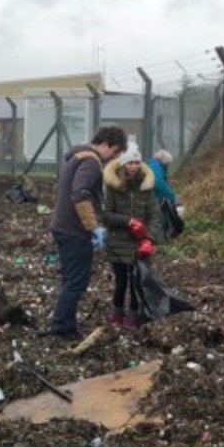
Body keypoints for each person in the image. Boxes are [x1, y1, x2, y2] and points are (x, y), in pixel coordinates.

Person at [46, 125, 128, 339]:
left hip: (63, 225)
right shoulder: (91, 162)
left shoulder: (76, 156)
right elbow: (80, 193)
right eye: (115, 152)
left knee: (70, 279)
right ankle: (62, 327)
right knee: (77, 282)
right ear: (106, 145)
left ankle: (66, 323)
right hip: (74, 230)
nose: (114, 158)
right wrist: (93, 227)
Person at [100, 149, 162, 328]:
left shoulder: (146, 187)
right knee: (121, 281)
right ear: (123, 165)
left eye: (136, 163)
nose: (133, 166)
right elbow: (106, 215)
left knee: (138, 281)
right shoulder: (113, 187)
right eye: (130, 163)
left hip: (139, 243)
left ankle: (134, 315)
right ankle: (117, 313)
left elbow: (155, 216)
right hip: (118, 242)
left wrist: (149, 239)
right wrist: (128, 221)